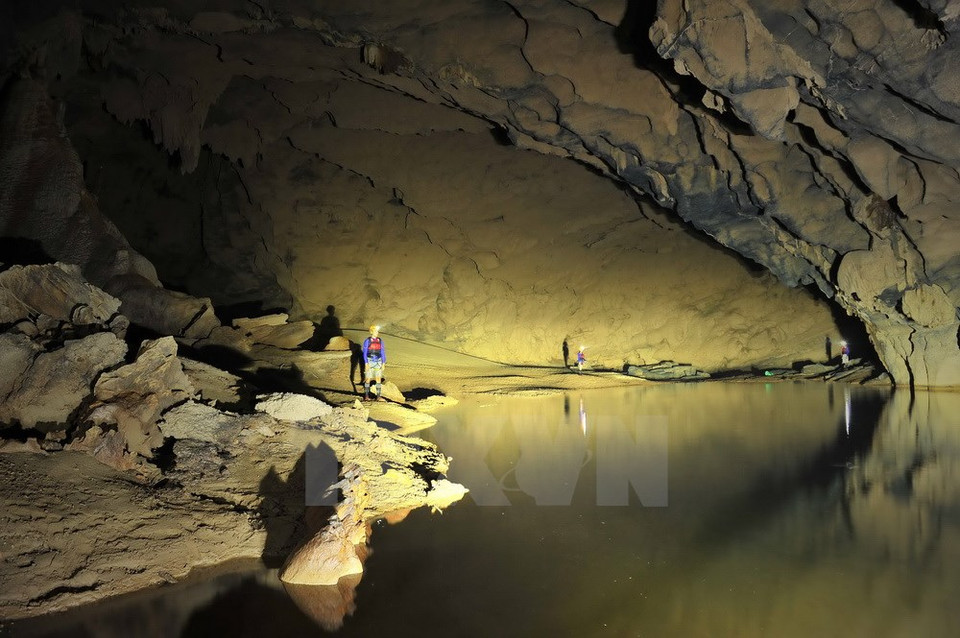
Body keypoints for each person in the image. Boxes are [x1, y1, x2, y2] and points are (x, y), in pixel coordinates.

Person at [362, 325, 387, 400]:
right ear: (372, 332)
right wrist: (366, 363)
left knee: (378, 378)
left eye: (377, 331)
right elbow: (365, 352)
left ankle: (378, 396)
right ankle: (366, 396)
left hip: (378, 362)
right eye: (376, 331)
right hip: (370, 361)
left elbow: (382, 352)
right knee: (368, 378)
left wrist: (383, 363)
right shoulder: (368, 341)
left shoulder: (380, 341)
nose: (377, 332)